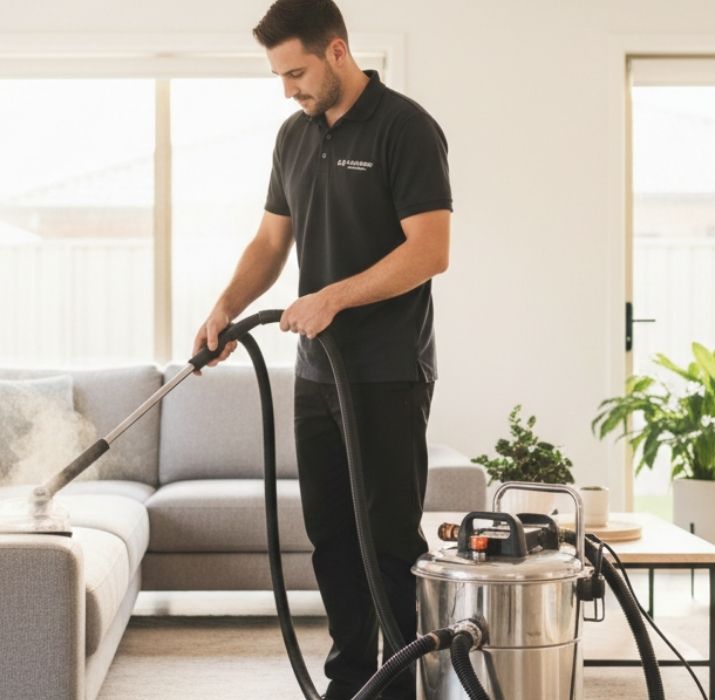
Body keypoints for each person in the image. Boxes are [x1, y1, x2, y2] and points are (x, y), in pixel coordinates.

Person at [191, 1, 452, 698]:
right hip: (316, 375)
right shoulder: (294, 137)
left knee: (387, 544)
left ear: (337, 51)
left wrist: (333, 296)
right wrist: (226, 308)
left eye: (297, 72)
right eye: (280, 76)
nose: (289, 89)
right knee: (332, 539)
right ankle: (350, 681)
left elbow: (430, 251)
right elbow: (271, 243)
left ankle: (398, 685)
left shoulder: (406, 128)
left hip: (387, 372)